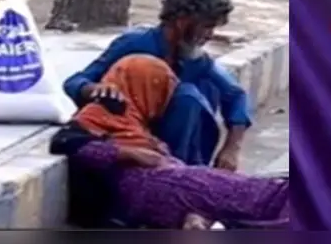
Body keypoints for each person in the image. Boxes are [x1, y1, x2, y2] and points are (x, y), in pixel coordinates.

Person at [52, 55, 288, 230]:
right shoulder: (103, 112)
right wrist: (127, 153)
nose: (163, 99)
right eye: (160, 89)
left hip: (176, 183)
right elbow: (67, 143)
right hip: (158, 188)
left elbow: (234, 94)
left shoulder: (133, 121)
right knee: (263, 199)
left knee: (257, 193)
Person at [63, 0, 251, 168]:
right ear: (182, 21)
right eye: (207, 26)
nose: (210, 35)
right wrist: (94, 89)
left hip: (176, 148)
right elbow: (75, 81)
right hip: (128, 138)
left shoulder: (196, 59)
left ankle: (186, 169)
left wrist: (231, 149)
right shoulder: (135, 44)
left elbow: (236, 95)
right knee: (187, 97)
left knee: (196, 93)